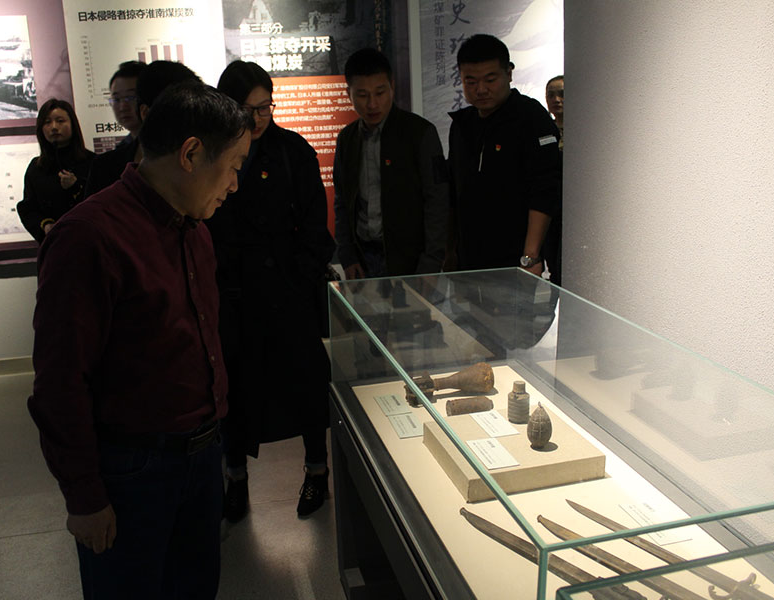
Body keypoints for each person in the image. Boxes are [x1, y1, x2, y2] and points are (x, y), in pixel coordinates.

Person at [28, 81, 253, 600]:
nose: (234, 184)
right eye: (233, 166)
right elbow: (61, 381)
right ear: (191, 154)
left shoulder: (193, 227)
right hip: (132, 470)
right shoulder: (89, 236)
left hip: (202, 455)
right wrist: (84, 496)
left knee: (193, 598)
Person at [205, 60, 336, 520]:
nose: (259, 118)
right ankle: (235, 479)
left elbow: (316, 226)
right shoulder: (214, 154)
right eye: (248, 109)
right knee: (234, 392)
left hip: (287, 292)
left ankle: (317, 471)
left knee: (306, 386)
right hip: (234, 295)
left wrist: (298, 278)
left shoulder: (292, 151)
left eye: (266, 107)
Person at [446, 34, 561, 275]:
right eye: (470, 81)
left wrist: (530, 256)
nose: (481, 89)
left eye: (490, 79)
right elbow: (454, 192)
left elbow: (545, 189)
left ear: (509, 73)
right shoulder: (462, 125)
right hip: (469, 259)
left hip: (515, 257)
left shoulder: (530, 117)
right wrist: (450, 252)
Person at [333, 48, 449, 279]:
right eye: (363, 95)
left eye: (380, 92)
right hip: (363, 259)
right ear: (349, 94)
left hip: (410, 261)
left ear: (392, 87)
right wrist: (347, 255)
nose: (372, 104)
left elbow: (437, 202)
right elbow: (342, 202)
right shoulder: (347, 138)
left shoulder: (419, 133)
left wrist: (431, 262)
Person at [16, 99, 94, 242]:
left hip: (90, 241)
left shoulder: (93, 162)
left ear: (72, 124)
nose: (54, 127)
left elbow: (103, 204)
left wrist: (76, 187)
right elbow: (28, 208)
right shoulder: (36, 167)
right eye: (47, 122)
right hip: (54, 244)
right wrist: (45, 225)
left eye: (60, 121)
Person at [83, 61, 146, 196]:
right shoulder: (108, 162)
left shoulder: (171, 154)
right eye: (116, 99)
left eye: (131, 97)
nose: (123, 107)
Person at [543, 74, 564, 284]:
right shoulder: (543, 131)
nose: (556, 100)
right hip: (549, 208)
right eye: (551, 95)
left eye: (562, 94)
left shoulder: (587, 133)